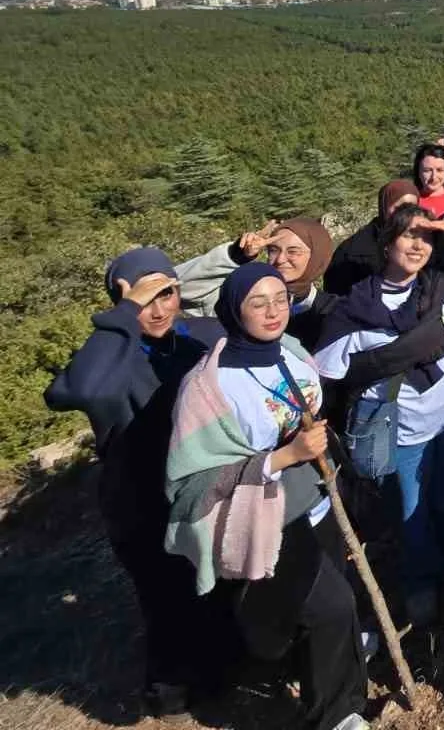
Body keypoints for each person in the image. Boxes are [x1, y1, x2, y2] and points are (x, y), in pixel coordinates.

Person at [166, 264, 369, 730]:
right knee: (330, 606)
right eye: (258, 303)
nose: (273, 311)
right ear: (235, 311)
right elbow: (194, 480)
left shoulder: (292, 350)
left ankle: (336, 683)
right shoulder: (209, 386)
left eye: (280, 298)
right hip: (270, 517)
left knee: (331, 604)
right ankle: (335, 716)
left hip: (318, 498)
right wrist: (281, 457)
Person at [45, 249, 234, 717]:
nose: (158, 308)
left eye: (167, 293)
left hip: (198, 493)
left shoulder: (197, 338)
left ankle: (217, 670)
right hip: (140, 504)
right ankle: (167, 691)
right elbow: (80, 391)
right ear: (121, 303)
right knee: (166, 602)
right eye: (144, 298)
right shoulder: (112, 358)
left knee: (210, 587)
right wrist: (123, 317)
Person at [317, 207, 444, 624]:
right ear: (387, 244)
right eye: (408, 236)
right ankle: (421, 583)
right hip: (403, 430)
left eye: (426, 237)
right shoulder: (356, 308)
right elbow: (326, 372)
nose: (418, 244)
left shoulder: (443, 286)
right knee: (412, 514)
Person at [177, 217, 336, 350]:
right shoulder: (240, 298)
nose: (280, 259)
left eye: (293, 251)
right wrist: (236, 255)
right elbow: (178, 287)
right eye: (273, 250)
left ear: (317, 257)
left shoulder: (331, 312)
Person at [325, 180, 421, 297]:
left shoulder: (422, 244)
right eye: (399, 207)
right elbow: (336, 300)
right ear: (384, 207)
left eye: (412, 208)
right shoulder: (353, 252)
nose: (406, 214)